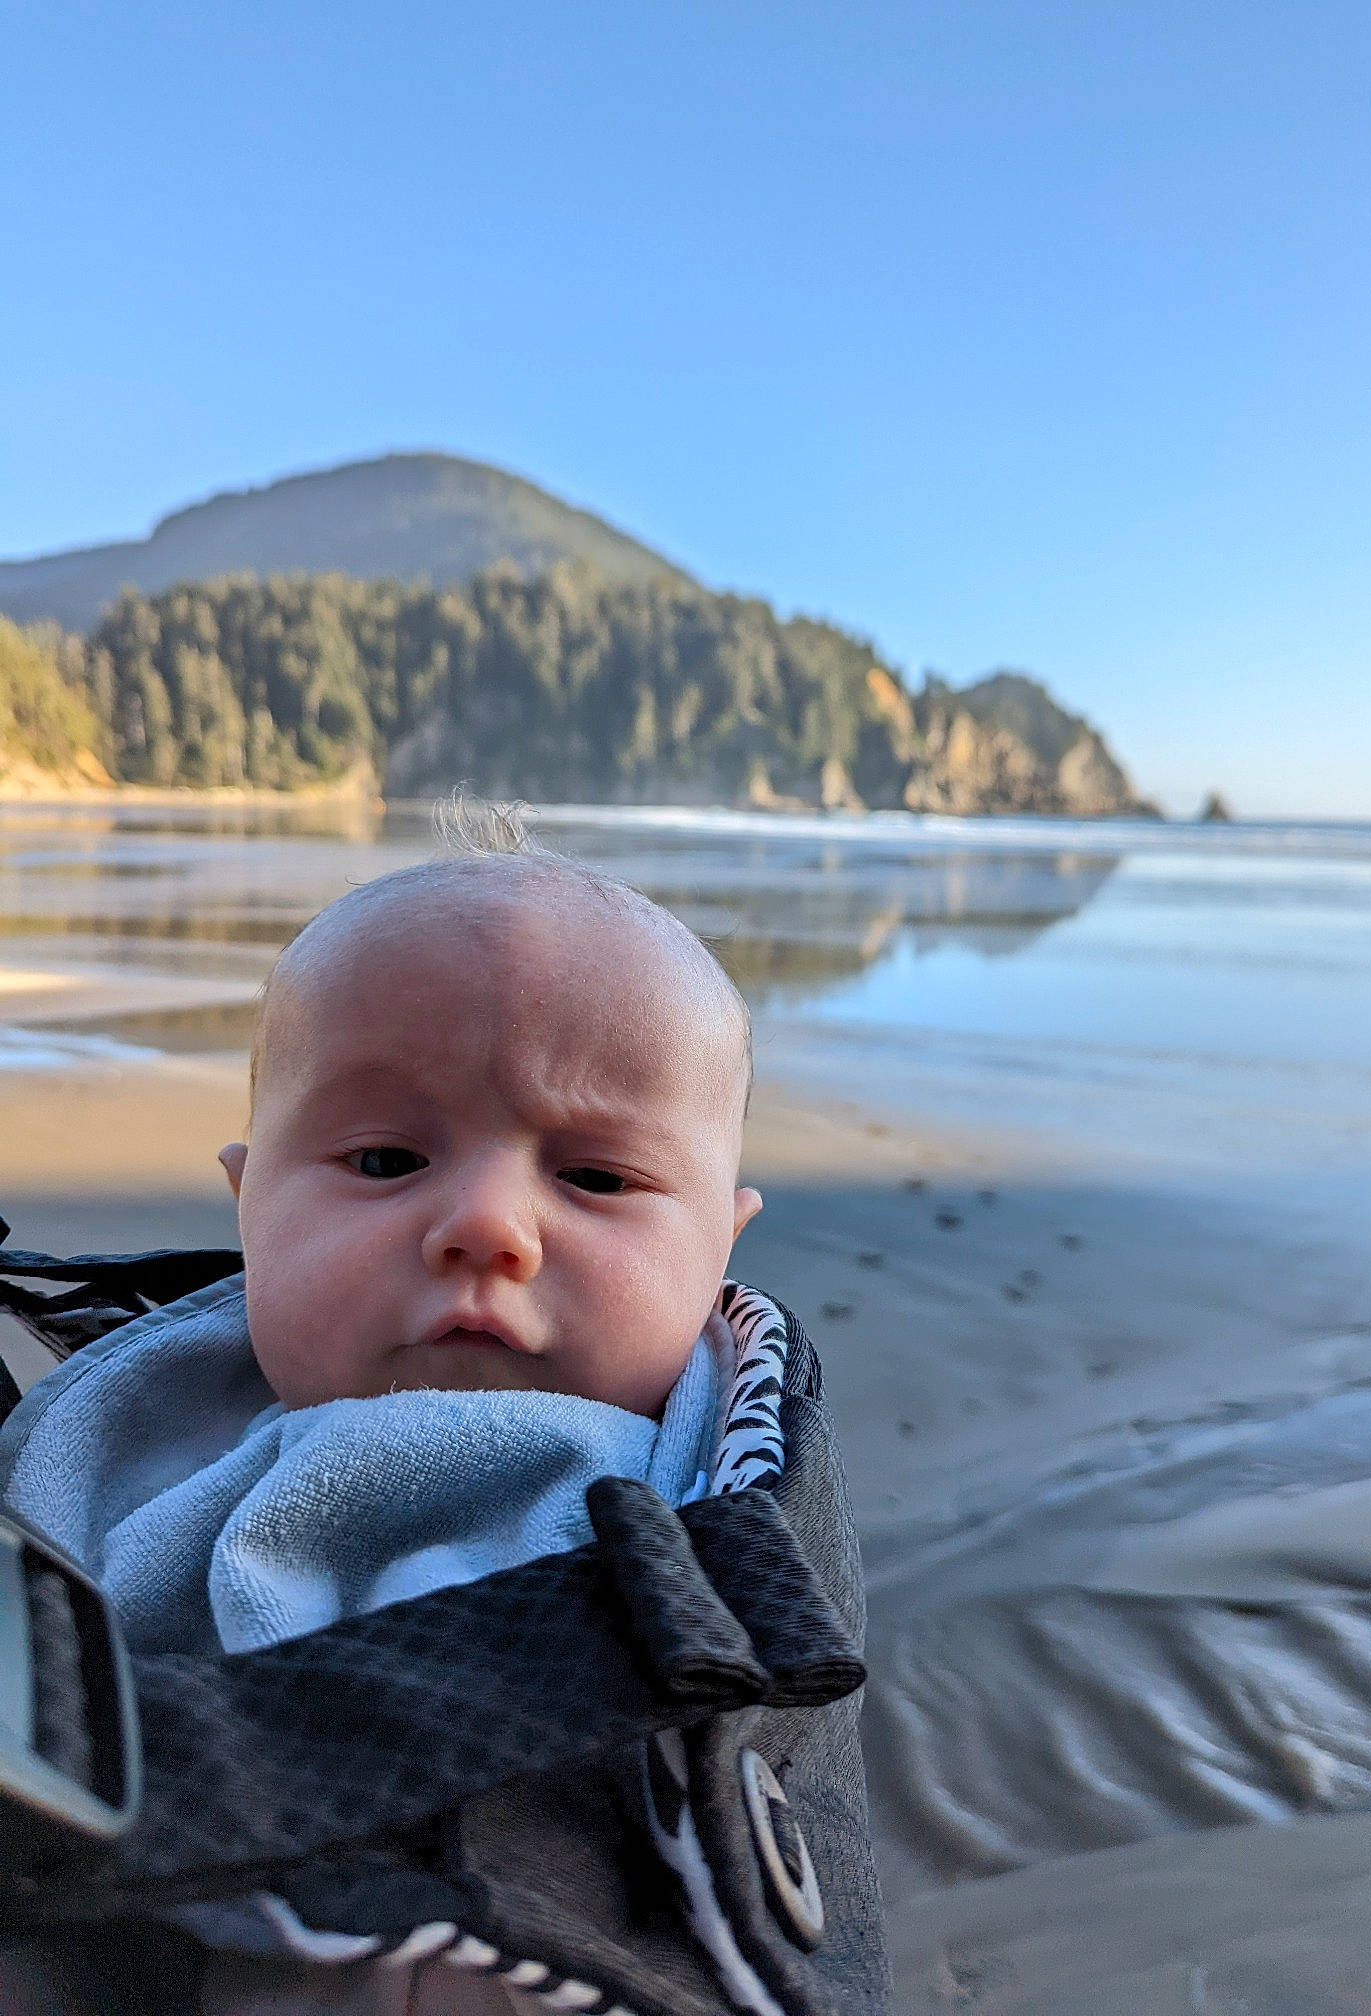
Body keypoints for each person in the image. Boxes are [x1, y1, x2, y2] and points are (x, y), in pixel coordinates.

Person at [0, 805, 886, 2015]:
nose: (487, 1223)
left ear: (717, 1249)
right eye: (384, 1159)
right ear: (247, 1204)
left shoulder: (649, 1516)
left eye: (596, 1175)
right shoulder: (144, 1425)